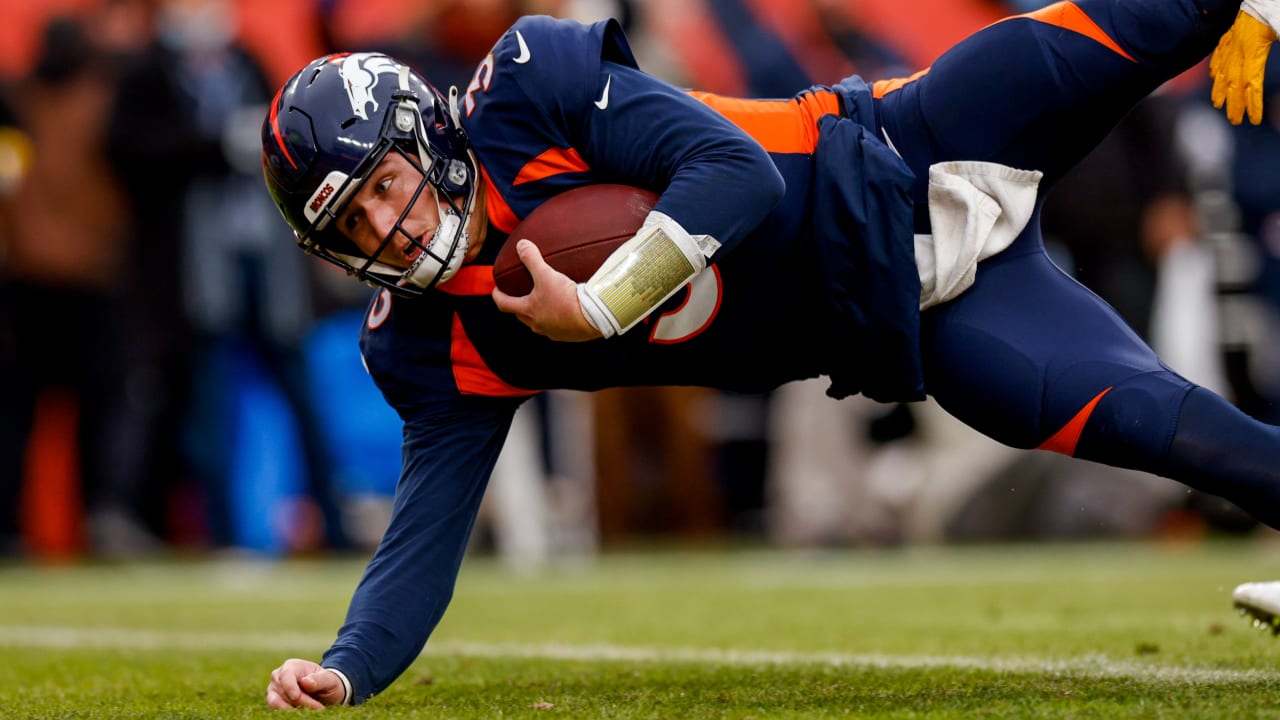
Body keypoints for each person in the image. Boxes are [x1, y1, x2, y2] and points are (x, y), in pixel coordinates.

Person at [261, 0, 1280, 707]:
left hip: (913, 139)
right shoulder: (430, 345)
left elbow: (734, 171)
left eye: (385, 185)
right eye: (352, 225)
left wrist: (603, 304)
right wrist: (345, 668)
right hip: (915, 311)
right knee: (1180, 436)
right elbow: (423, 541)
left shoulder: (525, 94)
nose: (387, 230)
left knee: (1169, 14)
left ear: (422, 134)